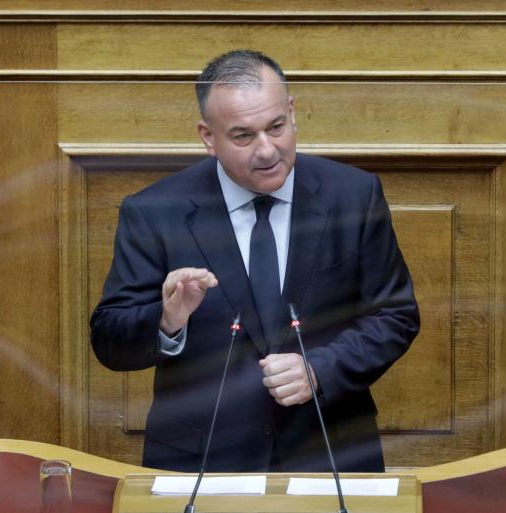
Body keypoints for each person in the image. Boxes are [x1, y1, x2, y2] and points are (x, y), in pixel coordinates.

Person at [90, 49, 420, 473]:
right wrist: (167, 320)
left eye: (276, 127)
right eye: (244, 136)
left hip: (328, 455)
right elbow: (109, 341)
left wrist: (319, 370)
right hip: (203, 465)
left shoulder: (353, 195)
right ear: (208, 137)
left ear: (292, 113)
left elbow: (395, 316)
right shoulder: (154, 211)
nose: (267, 150)